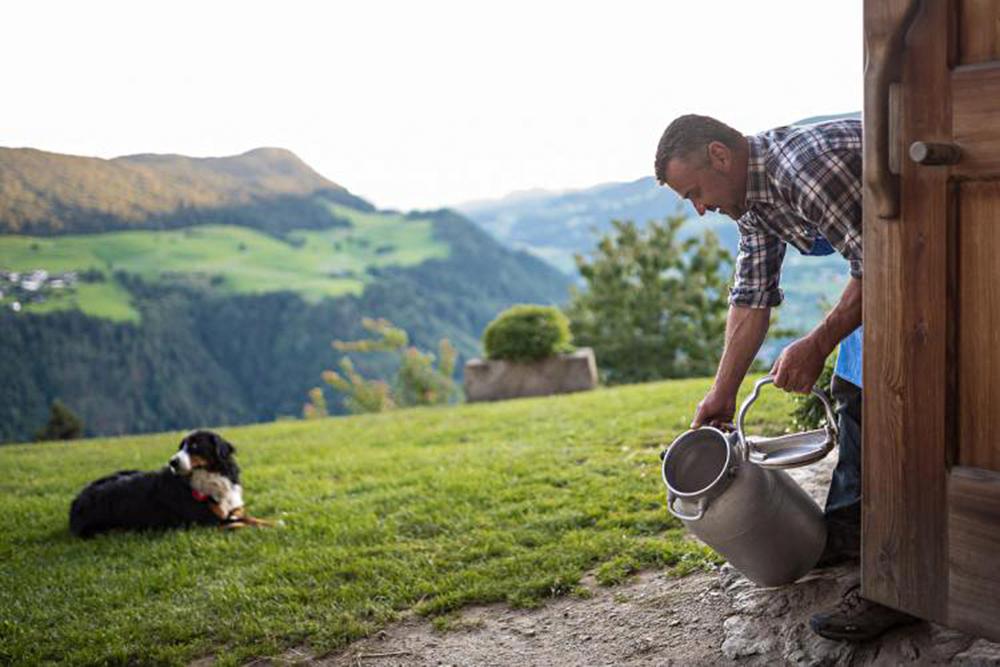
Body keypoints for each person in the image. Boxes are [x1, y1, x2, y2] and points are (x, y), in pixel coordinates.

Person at [653, 114, 918, 642]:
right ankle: (847, 530)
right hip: (900, 260)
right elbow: (751, 299)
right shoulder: (752, 202)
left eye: (695, 194)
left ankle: (897, 579)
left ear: (721, 156)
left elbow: (883, 262)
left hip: (948, 246)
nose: (701, 209)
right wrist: (721, 394)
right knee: (853, 382)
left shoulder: (802, 169)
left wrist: (817, 342)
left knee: (891, 402)